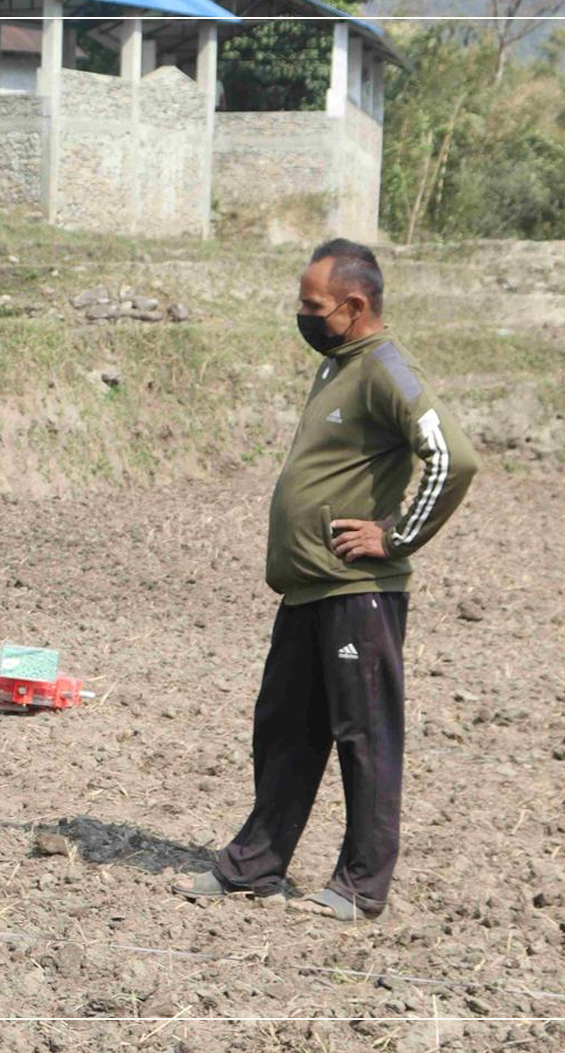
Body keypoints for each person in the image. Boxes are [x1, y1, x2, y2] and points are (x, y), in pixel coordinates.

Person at [174, 239, 480, 922]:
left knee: (365, 736)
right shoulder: (337, 367)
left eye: (313, 306)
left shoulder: (385, 368)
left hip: (355, 592)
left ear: (354, 306)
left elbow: (452, 457)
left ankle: (360, 885)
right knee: (284, 730)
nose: (303, 315)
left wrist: (395, 536)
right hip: (308, 588)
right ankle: (254, 866)